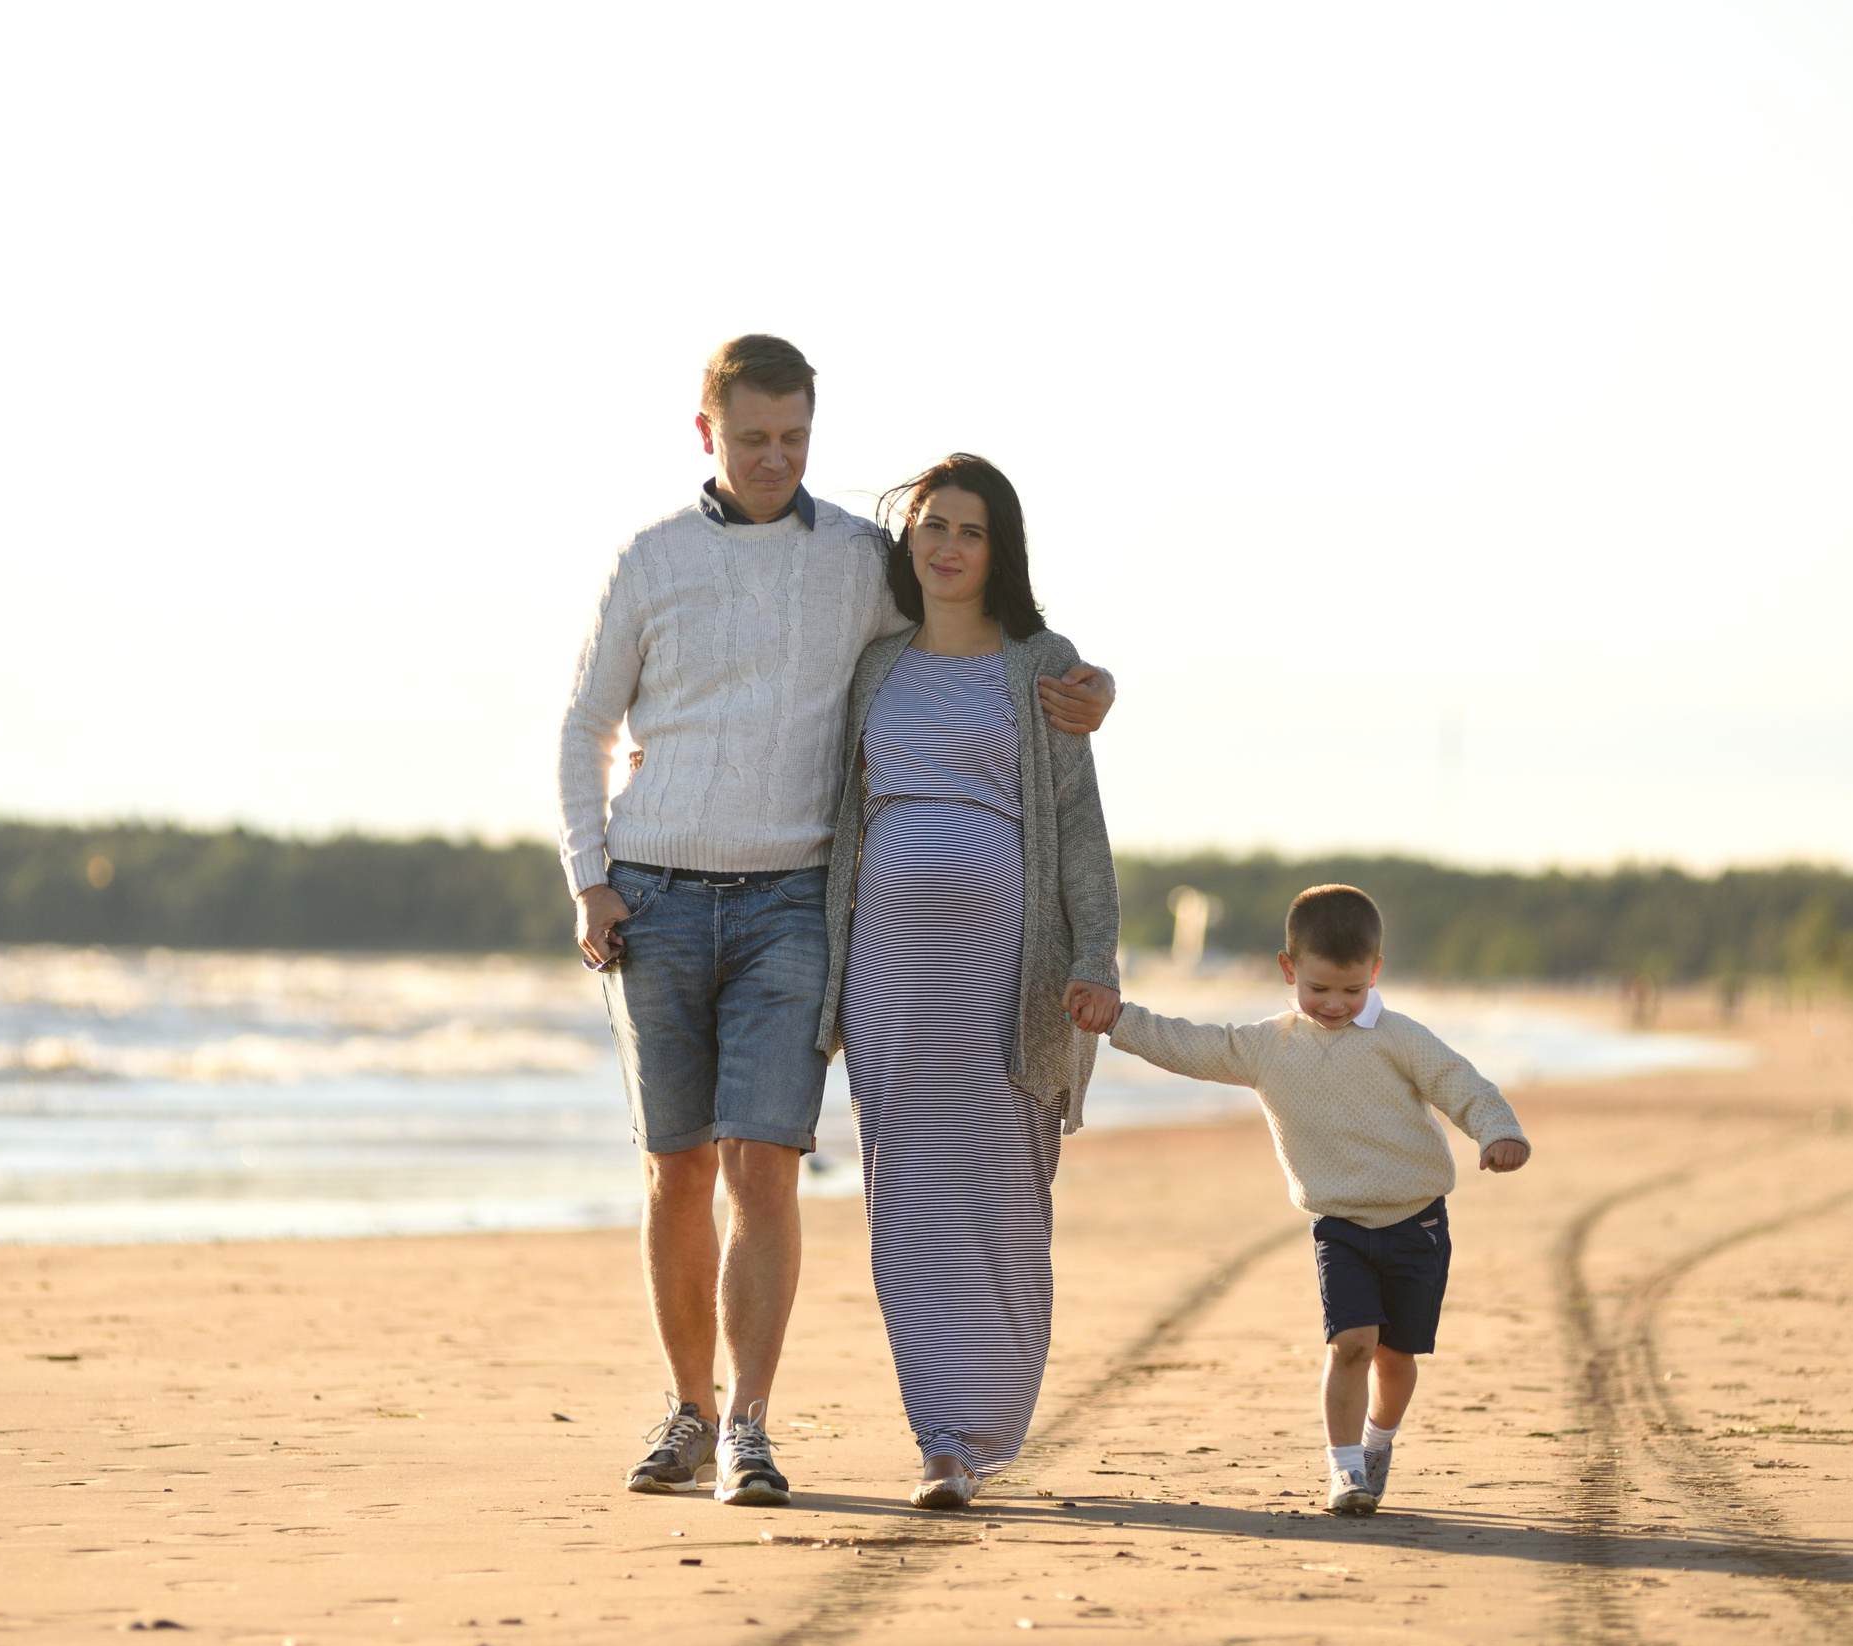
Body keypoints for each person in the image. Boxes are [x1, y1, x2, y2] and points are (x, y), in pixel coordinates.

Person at [556, 337, 1115, 1505]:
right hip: (662, 897)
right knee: (677, 1167)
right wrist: (589, 876)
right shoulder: (650, 562)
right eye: (752, 435)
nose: (774, 457)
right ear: (705, 431)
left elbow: (1006, 665)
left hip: (794, 905)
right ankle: (691, 1412)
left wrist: (1092, 686)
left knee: (766, 1162)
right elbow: (582, 726)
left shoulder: (862, 558)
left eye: (795, 436)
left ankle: (753, 1425)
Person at [815, 454, 1122, 1509]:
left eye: (969, 530)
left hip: (1007, 974)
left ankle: (990, 1423)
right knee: (903, 1194)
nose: (945, 545)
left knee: (1000, 1193)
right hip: (888, 974)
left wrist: (1092, 958)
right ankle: (940, 1441)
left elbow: (1078, 825)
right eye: (931, 525)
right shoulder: (874, 665)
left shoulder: (1042, 664)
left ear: (1002, 550)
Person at [1078, 884, 1531, 1514]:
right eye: (1318, 989)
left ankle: (1379, 1441)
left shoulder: (1401, 1037)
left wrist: (1499, 1130)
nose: (1336, 1004)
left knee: (1396, 1360)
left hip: (1417, 1222)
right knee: (1352, 1343)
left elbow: (1462, 1084)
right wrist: (1119, 1019)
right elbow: (1192, 1044)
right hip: (1339, 1224)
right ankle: (1346, 1473)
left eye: (1352, 989)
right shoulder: (1271, 1046)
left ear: (1375, 972)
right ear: (1289, 970)